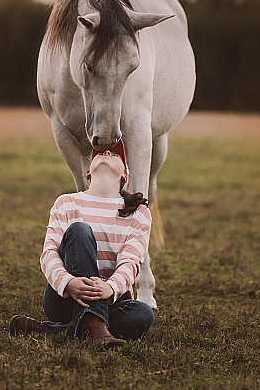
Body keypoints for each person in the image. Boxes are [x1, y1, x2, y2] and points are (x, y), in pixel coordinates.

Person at [9, 139, 155, 347]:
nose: (106, 153)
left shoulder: (138, 213)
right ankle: (96, 328)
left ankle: (65, 327)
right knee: (79, 230)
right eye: (99, 153)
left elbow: (130, 262)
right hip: (66, 298)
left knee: (143, 313)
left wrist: (110, 288)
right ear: (88, 172)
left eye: (114, 154)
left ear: (125, 175)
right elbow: (49, 253)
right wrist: (69, 282)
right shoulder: (66, 203)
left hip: (110, 298)